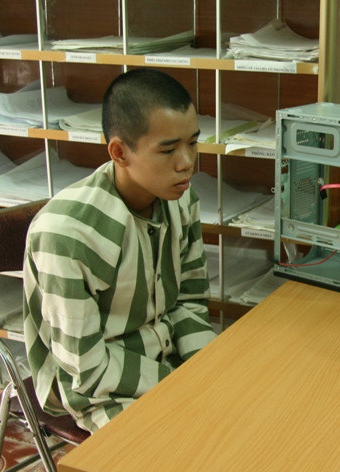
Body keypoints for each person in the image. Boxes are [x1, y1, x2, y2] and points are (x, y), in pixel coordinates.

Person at [23, 68, 218, 433]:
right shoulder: (68, 234)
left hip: (165, 358)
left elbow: (189, 300)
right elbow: (85, 368)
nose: (187, 162)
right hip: (96, 387)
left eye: (193, 143)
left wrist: (208, 370)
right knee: (188, 444)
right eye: (168, 150)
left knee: (240, 412)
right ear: (119, 152)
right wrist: (179, 385)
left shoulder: (180, 196)